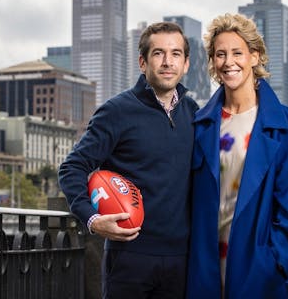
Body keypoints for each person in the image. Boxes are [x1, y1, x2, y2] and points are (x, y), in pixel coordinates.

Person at [58, 21, 198, 298]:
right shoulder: (117, 111)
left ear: (186, 64)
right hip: (130, 256)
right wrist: (92, 219)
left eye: (176, 54)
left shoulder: (193, 112)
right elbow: (72, 167)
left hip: (182, 259)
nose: (167, 62)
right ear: (142, 62)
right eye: (158, 53)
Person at [186, 13, 288, 299]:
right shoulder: (200, 125)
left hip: (259, 269)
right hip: (204, 268)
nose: (229, 62)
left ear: (255, 56)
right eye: (220, 54)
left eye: (237, 53)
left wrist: (276, 263)